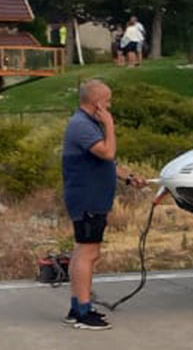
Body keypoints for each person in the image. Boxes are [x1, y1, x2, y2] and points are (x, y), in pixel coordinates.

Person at [60, 79, 143, 330]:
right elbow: (108, 153)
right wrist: (110, 125)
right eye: (107, 101)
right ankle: (84, 312)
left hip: (94, 198)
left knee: (85, 251)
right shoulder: (82, 125)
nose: (110, 105)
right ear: (97, 103)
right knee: (88, 252)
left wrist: (128, 178)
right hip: (87, 199)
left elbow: (107, 164)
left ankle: (78, 306)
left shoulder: (89, 126)